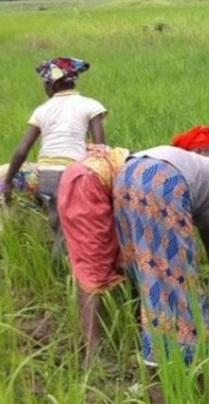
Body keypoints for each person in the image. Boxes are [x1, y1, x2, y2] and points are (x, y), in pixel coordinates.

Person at [113, 137, 209, 367]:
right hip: (164, 179)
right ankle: (190, 363)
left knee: (142, 267)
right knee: (178, 278)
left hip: (127, 173)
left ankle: (144, 341)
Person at [0, 57, 107, 256]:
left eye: (45, 84)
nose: (44, 89)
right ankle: (65, 269)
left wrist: (7, 182)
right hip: (73, 177)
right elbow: (100, 147)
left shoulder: (42, 110)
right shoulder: (90, 105)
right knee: (69, 230)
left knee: (56, 220)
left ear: (53, 85)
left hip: (44, 178)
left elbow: (21, 151)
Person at [56, 144, 129, 363]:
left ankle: (124, 320)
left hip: (86, 178)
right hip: (88, 184)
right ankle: (92, 352)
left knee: (118, 252)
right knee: (93, 264)